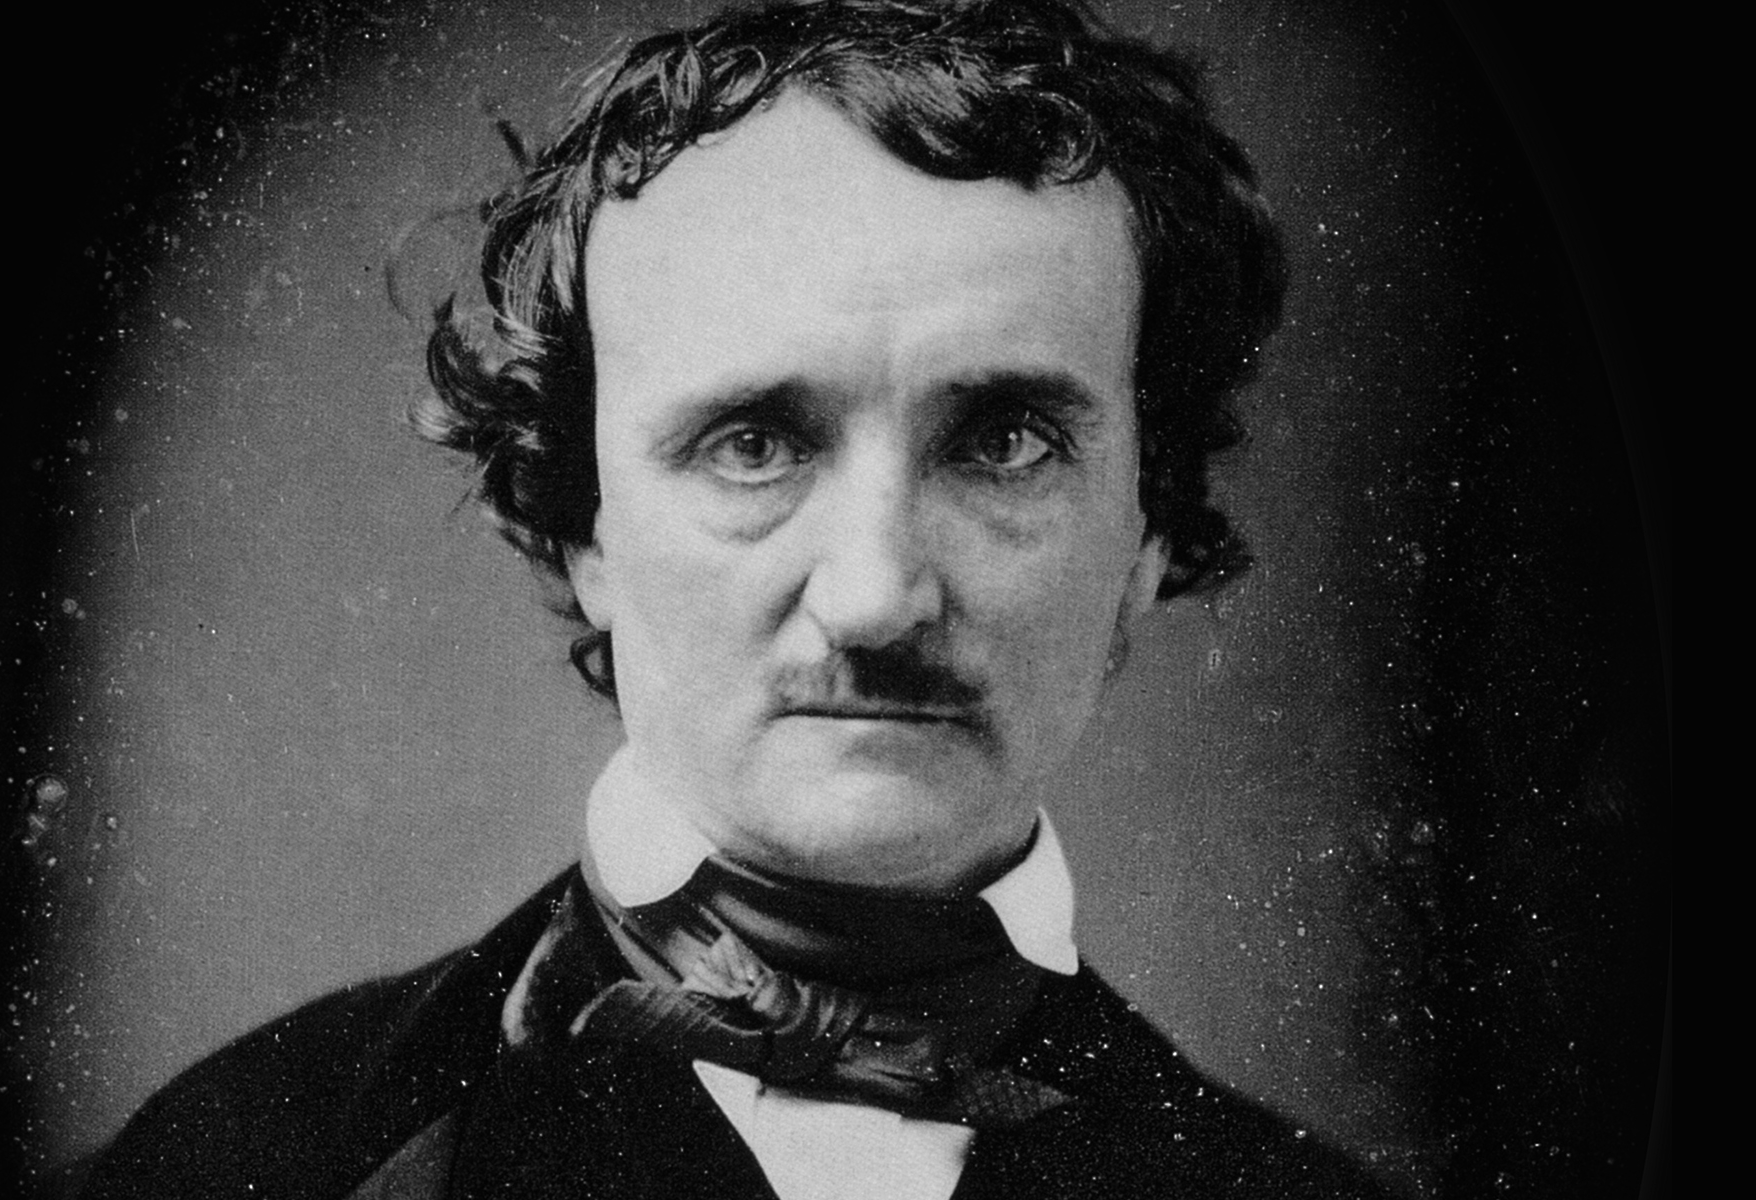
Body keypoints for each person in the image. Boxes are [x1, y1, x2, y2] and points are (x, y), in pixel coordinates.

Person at [79, 1, 1393, 1196]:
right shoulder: (247, 1166)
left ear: (1149, 531)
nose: (876, 598)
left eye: (1003, 442)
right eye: (753, 445)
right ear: (580, 527)